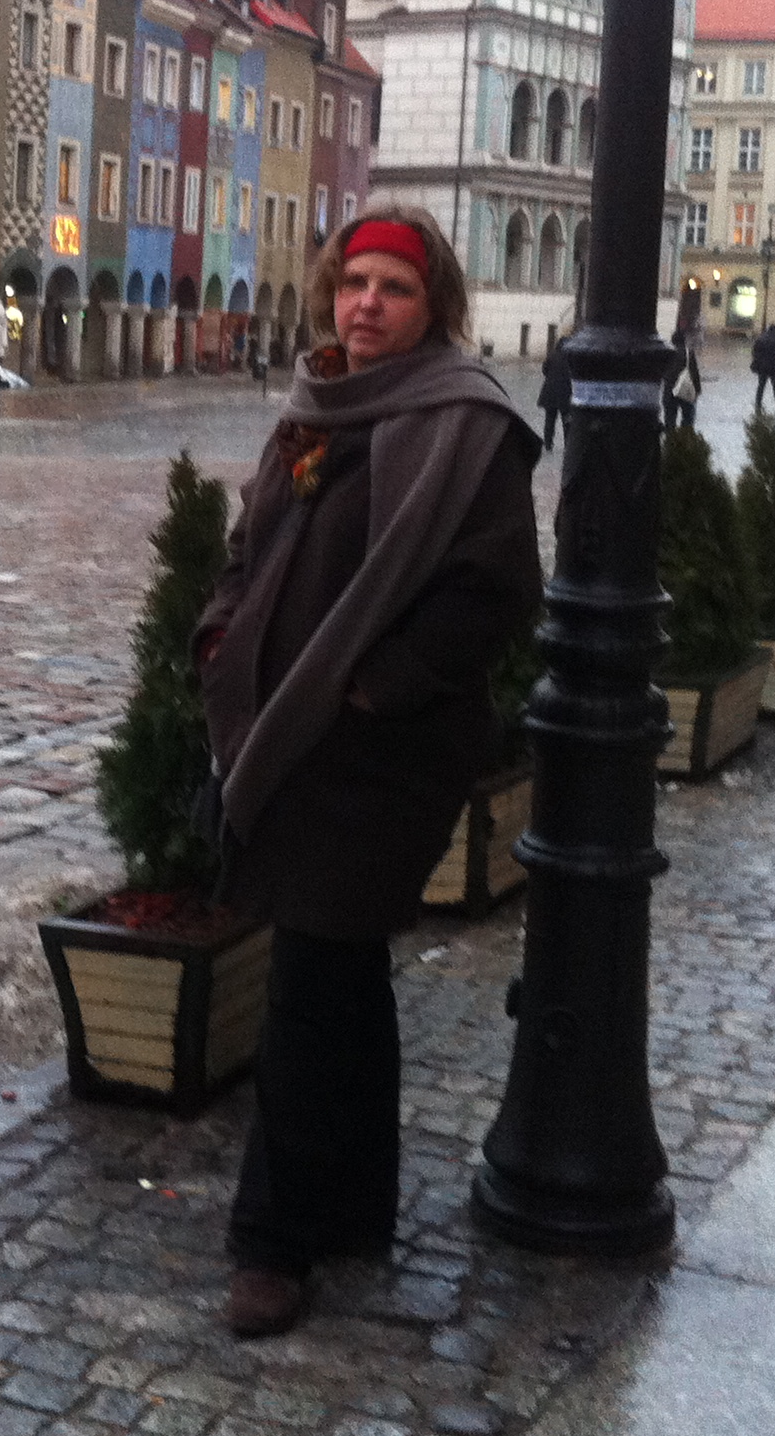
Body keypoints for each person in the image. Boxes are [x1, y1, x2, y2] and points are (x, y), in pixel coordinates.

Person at [194, 204, 543, 1341]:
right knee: (342, 975)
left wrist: (376, 686)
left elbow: (495, 590)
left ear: (434, 304)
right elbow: (250, 544)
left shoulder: (466, 422)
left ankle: (271, 1244)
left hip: (382, 752)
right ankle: (353, 1206)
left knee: (306, 977)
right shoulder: (317, 403)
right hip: (281, 731)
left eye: (393, 288)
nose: (366, 305)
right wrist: (221, 634)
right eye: (353, 284)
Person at [663, 323, 702, 431]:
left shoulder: (667, 353)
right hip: (686, 388)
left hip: (670, 389)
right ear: (684, 340)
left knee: (670, 419)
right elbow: (694, 372)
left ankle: (670, 438)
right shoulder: (689, 353)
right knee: (688, 417)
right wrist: (697, 389)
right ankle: (685, 436)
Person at [537, 338, 572, 451]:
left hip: (549, 393)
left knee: (549, 420)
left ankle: (548, 444)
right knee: (567, 420)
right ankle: (568, 445)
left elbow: (544, 370)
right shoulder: (570, 357)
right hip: (564, 393)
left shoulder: (551, 355)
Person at [750, 321, 775, 414]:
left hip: (762, 367)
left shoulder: (760, 339)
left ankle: (758, 403)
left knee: (761, 385)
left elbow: (754, 352)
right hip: (773, 367)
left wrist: (756, 362)